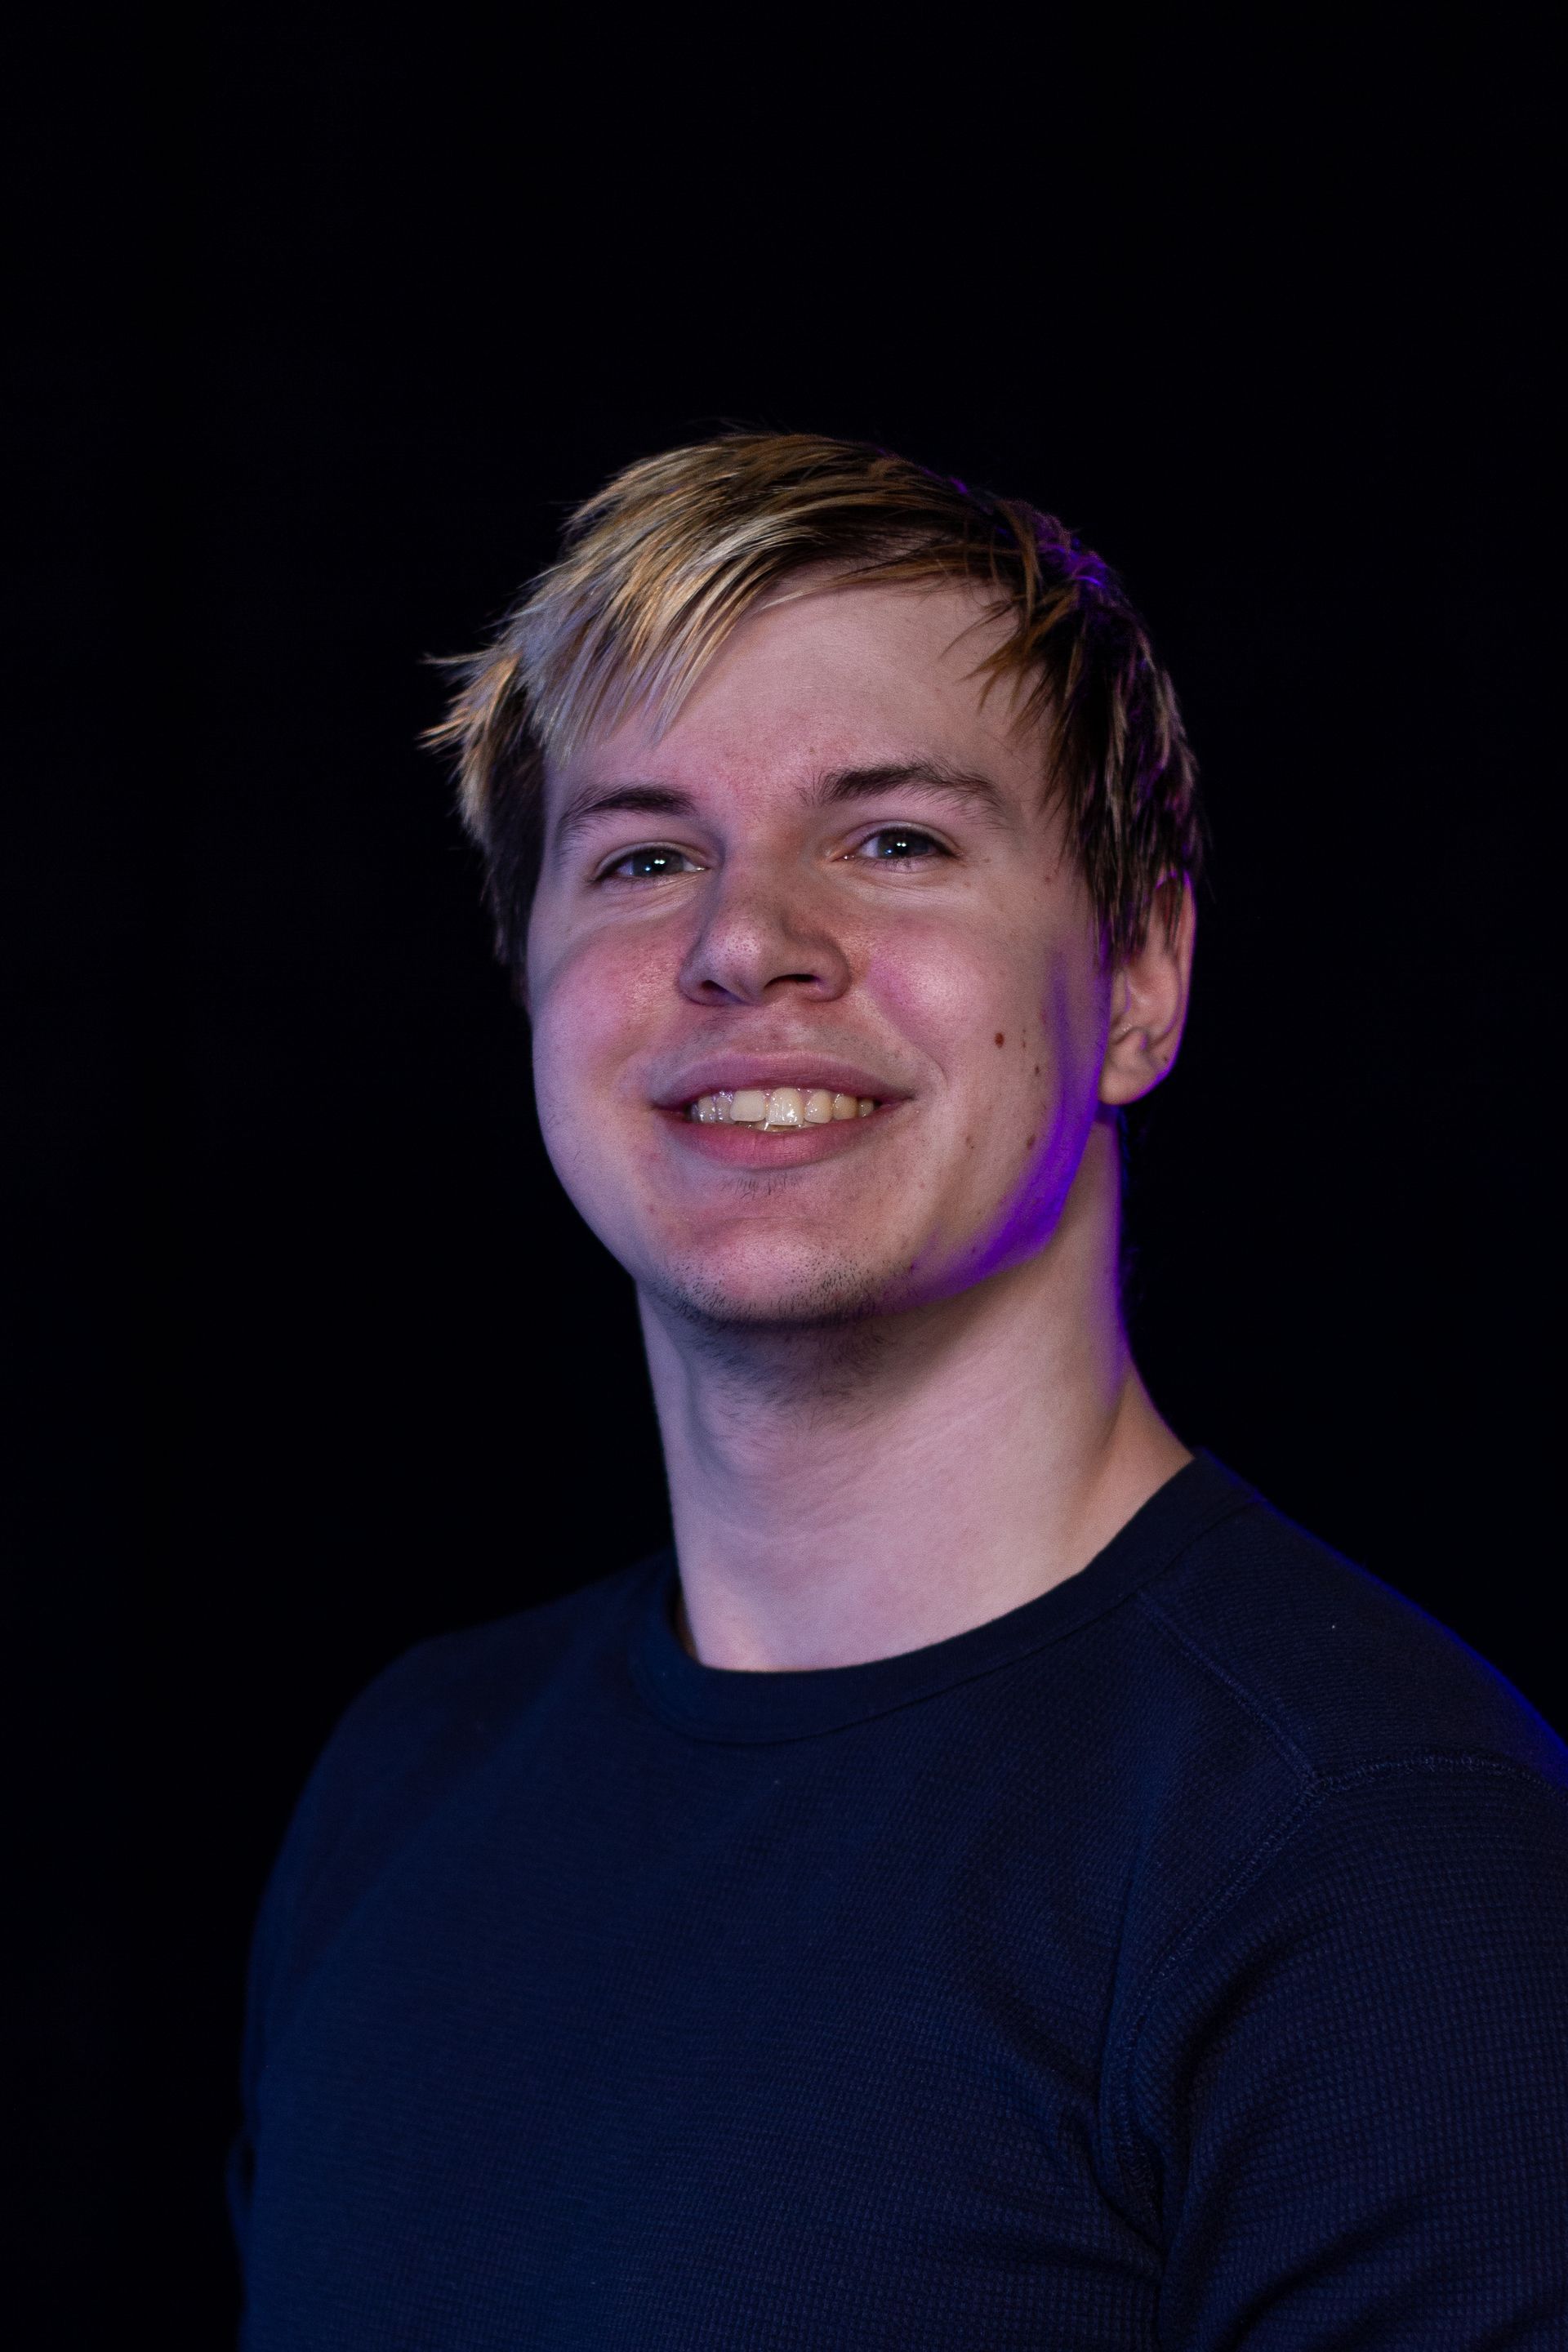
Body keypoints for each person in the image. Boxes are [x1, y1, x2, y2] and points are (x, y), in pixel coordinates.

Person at [229, 433, 1568, 2348]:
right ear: (528, 976)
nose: (744, 940)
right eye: (643, 855)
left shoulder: (1377, 1865)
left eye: (895, 839)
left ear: (1141, 978)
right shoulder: (406, 1786)